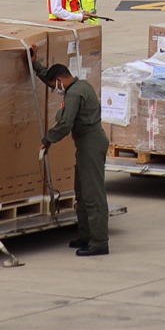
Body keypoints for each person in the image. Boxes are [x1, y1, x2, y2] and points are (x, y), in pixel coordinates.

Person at [40, 63, 108, 255]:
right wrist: (36, 65)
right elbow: (49, 74)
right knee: (82, 191)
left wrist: (47, 140)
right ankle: (86, 236)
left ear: (60, 81)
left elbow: (65, 124)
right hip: (87, 144)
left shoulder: (74, 94)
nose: (55, 90)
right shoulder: (81, 85)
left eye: (54, 86)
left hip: (91, 144)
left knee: (93, 194)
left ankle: (100, 242)